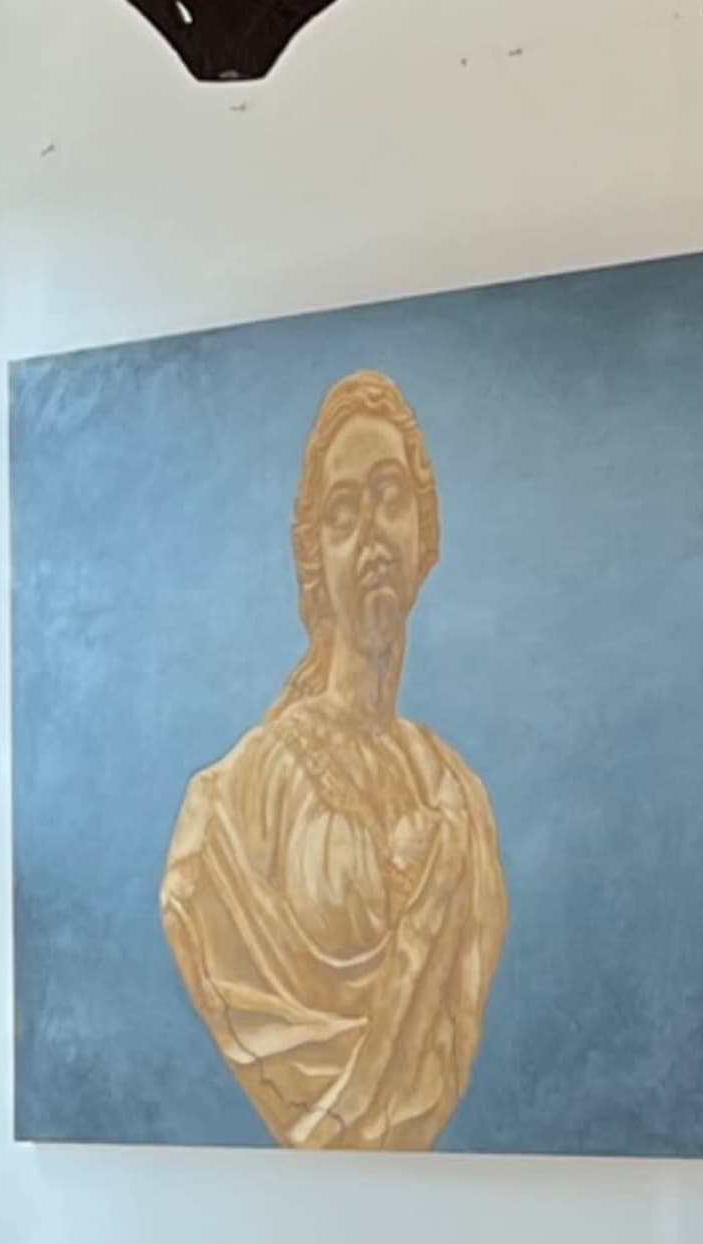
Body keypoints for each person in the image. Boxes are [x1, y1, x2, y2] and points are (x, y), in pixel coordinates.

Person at [160, 368, 507, 1152]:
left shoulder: (461, 801)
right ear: (314, 554)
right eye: (342, 514)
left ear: (427, 531)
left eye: (390, 498)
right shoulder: (237, 802)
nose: (372, 536)